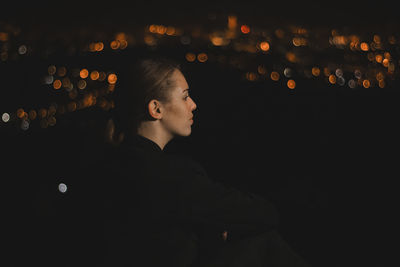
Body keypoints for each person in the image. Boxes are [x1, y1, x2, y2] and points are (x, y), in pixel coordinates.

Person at [97, 55, 312, 267]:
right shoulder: (171, 176)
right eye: (184, 97)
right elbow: (265, 213)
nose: (193, 105)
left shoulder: (109, 164)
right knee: (262, 240)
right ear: (156, 109)